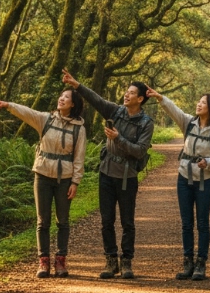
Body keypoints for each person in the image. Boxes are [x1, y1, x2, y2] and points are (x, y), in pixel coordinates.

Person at [61, 68, 153, 280]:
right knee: (106, 220)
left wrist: (118, 138)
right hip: (106, 172)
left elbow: (140, 150)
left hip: (127, 177)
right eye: (126, 92)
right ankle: (111, 261)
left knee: (128, 222)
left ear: (140, 98)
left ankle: (127, 262)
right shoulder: (116, 111)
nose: (126, 95)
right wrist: (76, 85)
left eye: (131, 93)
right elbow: (96, 99)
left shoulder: (146, 123)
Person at [0, 89, 86, 279]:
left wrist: (75, 182)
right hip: (42, 175)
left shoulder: (79, 128)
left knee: (63, 221)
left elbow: (79, 157)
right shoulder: (46, 119)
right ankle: (43, 262)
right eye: (61, 96)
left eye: (66, 97)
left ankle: (60, 261)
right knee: (42, 221)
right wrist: (9, 106)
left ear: (73, 104)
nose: (61, 98)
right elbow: (27, 112)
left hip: (65, 179)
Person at [146, 87, 210, 281]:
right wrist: (160, 98)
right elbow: (175, 111)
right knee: (186, 222)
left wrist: (208, 163)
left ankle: (201, 263)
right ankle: (188, 261)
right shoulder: (189, 123)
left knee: (203, 223)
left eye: (203, 102)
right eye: (199, 101)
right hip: (184, 177)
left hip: (204, 180)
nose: (199, 104)